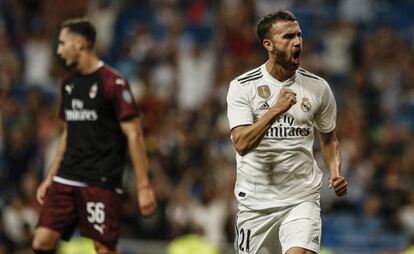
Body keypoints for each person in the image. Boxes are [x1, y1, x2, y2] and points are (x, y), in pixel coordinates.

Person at [31, 18, 157, 254]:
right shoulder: (68, 84)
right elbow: (68, 132)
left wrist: (143, 186)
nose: (58, 50)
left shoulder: (113, 83)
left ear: (79, 44)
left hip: (100, 179)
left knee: (104, 248)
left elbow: (134, 134)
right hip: (67, 176)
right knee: (41, 242)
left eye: (62, 43)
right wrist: (50, 177)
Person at [226, 10, 348, 254]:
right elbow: (241, 143)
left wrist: (335, 172)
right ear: (268, 44)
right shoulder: (243, 87)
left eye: (299, 35)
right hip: (255, 204)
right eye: (288, 37)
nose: (297, 42)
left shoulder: (318, 88)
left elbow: (329, 138)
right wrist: (275, 110)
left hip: (300, 198)